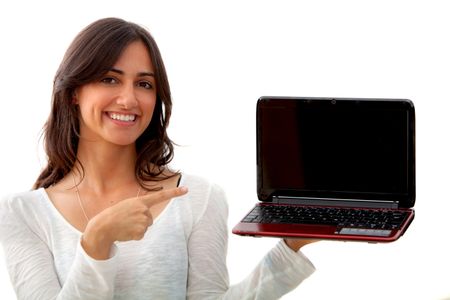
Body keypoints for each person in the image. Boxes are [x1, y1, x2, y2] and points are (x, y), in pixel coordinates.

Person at [0, 17, 316, 299]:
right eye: (109, 79)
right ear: (73, 92)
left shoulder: (199, 198)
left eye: (144, 84)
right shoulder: (21, 214)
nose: (129, 99)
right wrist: (97, 241)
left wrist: (289, 247)